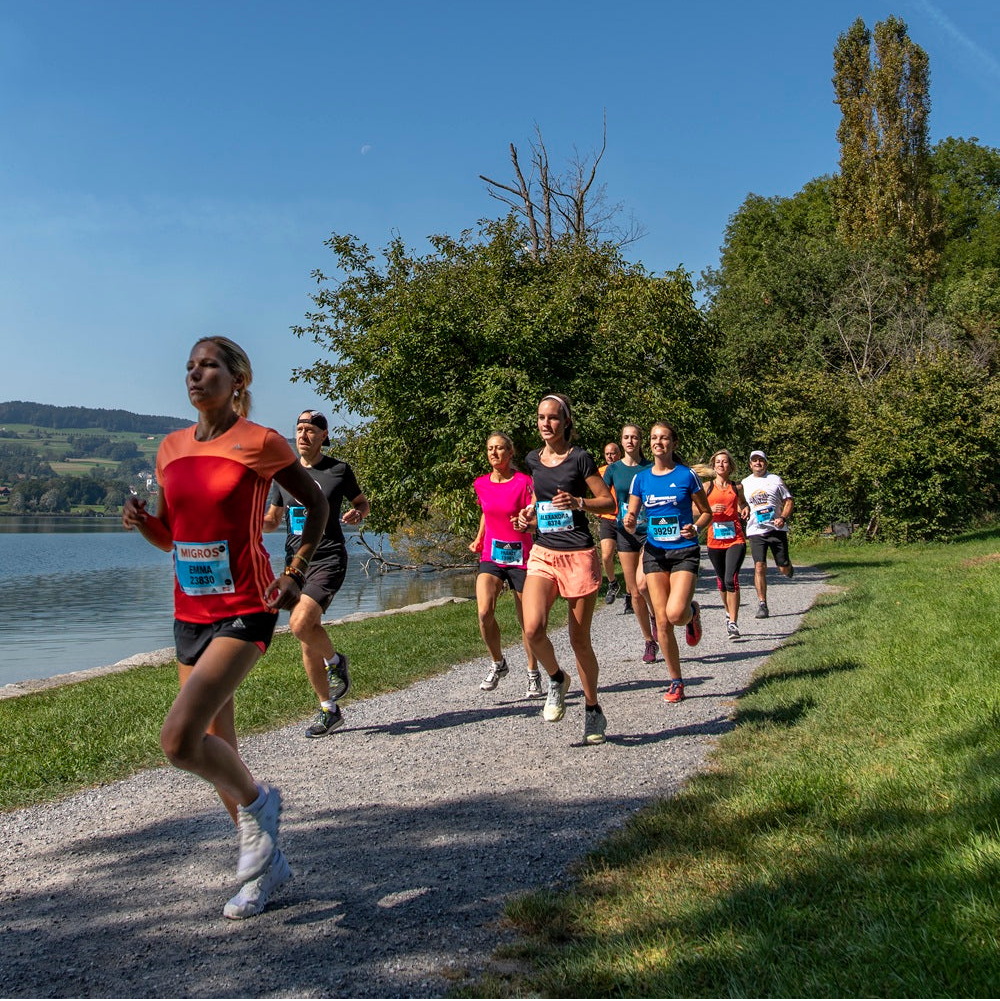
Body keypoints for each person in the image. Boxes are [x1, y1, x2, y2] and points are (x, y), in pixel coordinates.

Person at [122, 337, 329, 920]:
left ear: (238, 380)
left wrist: (295, 572)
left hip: (247, 605)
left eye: (208, 365)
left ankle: (261, 808)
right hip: (189, 612)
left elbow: (315, 506)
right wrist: (143, 523)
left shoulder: (260, 442)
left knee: (178, 740)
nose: (195, 374)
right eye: (189, 366)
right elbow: (172, 537)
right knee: (219, 748)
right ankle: (264, 869)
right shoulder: (170, 449)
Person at [513, 393, 616, 744]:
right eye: (541, 417)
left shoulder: (580, 458)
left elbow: (608, 502)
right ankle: (557, 678)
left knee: (579, 640)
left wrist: (579, 502)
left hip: (578, 555)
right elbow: (540, 501)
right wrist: (528, 516)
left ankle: (592, 709)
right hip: (544, 551)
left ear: (566, 421)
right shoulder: (532, 459)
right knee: (532, 629)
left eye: (553, 417)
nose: (546, 423)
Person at [263, 410, 369, 737]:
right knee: (307, 635)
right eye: (299, 429)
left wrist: (358, 512)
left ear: (324, 436)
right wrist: (244, 522)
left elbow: (361, 502)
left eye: (310, 430)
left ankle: (335, 662)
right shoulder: (284, 475)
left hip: (328, 558)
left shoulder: (338, 470)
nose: (303, 435)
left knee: (299, 624)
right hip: (296, 565)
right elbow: (272, 519)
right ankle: (328, 709)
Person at [624, 422, 711, 703]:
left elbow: (706, 512)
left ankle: (691, 613)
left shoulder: (686, 475)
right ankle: (676, 681)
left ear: (674, 443)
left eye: (663, 438)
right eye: (654, 438)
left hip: (684, 551)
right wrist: (629, 521)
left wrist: (695, 528)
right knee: (662, 621)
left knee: (675, 615)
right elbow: (632, 517)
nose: (658, 442)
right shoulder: (641, 479)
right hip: (655, 553)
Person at [468, 433, 540, 696]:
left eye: (499, 448)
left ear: (510, 452)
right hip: (492, 555)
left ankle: (533, 673)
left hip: (521, 557)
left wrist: (527, 522)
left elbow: (535, 510)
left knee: (527, 622)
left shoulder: (524, 482)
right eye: (490, 449)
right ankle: (498, 662)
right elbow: (486, 512)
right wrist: (479, 538)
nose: (494, 453)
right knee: (484, 613)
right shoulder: (481, 484)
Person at [603, 425, 657, 663]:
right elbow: (602, 495)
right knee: (634, 591)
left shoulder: (649, 467)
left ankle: (656, 617)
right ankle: (649, 640)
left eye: (634, 437)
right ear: (621, 440)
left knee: (644, 585)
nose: (630, 441)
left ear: (640, 441)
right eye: (626, 437)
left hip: (649, 531)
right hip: (625, 531)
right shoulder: (614, 469)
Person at [741, 450, 794, 619]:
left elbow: (789, 500)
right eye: (754, 461)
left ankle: (787, 566)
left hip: (776, 529)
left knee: (783, 567)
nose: (758, 463)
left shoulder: (775, 480)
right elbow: (741, 503)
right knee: (759, 566)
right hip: (756, 530)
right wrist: (743, 509)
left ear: (766, 463)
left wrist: (783, 518)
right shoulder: (745, 483)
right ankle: (762, 604)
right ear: (750, 464)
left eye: (761, 460)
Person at [704, 449, 748, 639]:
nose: (721, 465)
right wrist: (710, 509)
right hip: (714, 541)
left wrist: (745, 509)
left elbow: (742, 503)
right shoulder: (707, 487)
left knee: (731, 579)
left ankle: (733, 623)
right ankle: (728, 612)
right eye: (718, 462)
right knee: (722, 581)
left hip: (735, 539)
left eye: (725, 462)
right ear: (714, 466)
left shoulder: (737, 487)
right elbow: (694, 509)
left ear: (730, 466)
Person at [598, 442, 622, 603]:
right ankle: (613, 583)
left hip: (625, 518)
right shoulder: (600, 472)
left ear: (619, 454)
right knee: (606, 556)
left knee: (627, 559)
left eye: (613, 453)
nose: (610, 457)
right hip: (607, 518)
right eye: (607, 454)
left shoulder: (625, 469)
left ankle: (630, 594)